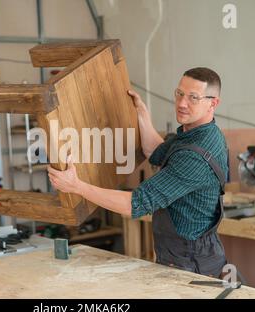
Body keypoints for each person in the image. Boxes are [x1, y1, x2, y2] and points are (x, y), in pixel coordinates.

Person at [47, 67, 229, 278]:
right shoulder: (193, 134)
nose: (181, 103)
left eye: (193, 98)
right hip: (181, 256)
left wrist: (76, 186)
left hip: (193, 264)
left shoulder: (196, 155)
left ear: (213, 103)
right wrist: (142, 113)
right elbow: (155, 151)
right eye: (179, 93)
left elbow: (134, 203)